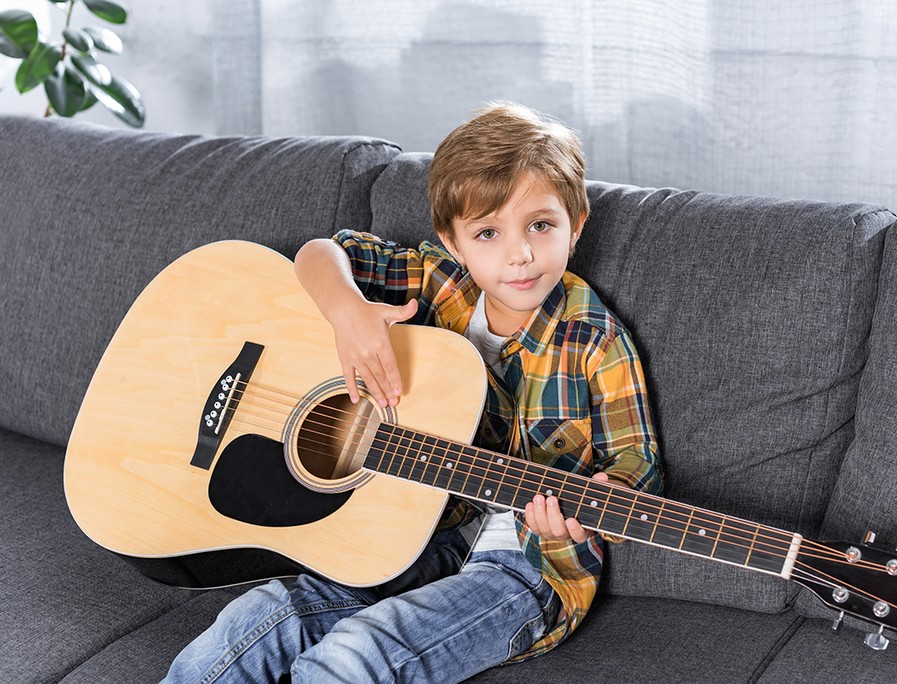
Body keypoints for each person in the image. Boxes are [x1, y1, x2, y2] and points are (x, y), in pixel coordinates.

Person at [164, 102, 663, 683]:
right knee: (255, 621)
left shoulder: (597, 340)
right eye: (488, 233)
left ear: (576, 225)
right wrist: (345, 310)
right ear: (453, 243)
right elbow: (320, 254)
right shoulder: (434, 279)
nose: (520, 252)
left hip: (526, 567)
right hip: (408, 531)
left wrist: (596, 503)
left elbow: (639, 462)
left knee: (352, 658)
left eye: (541, 226)